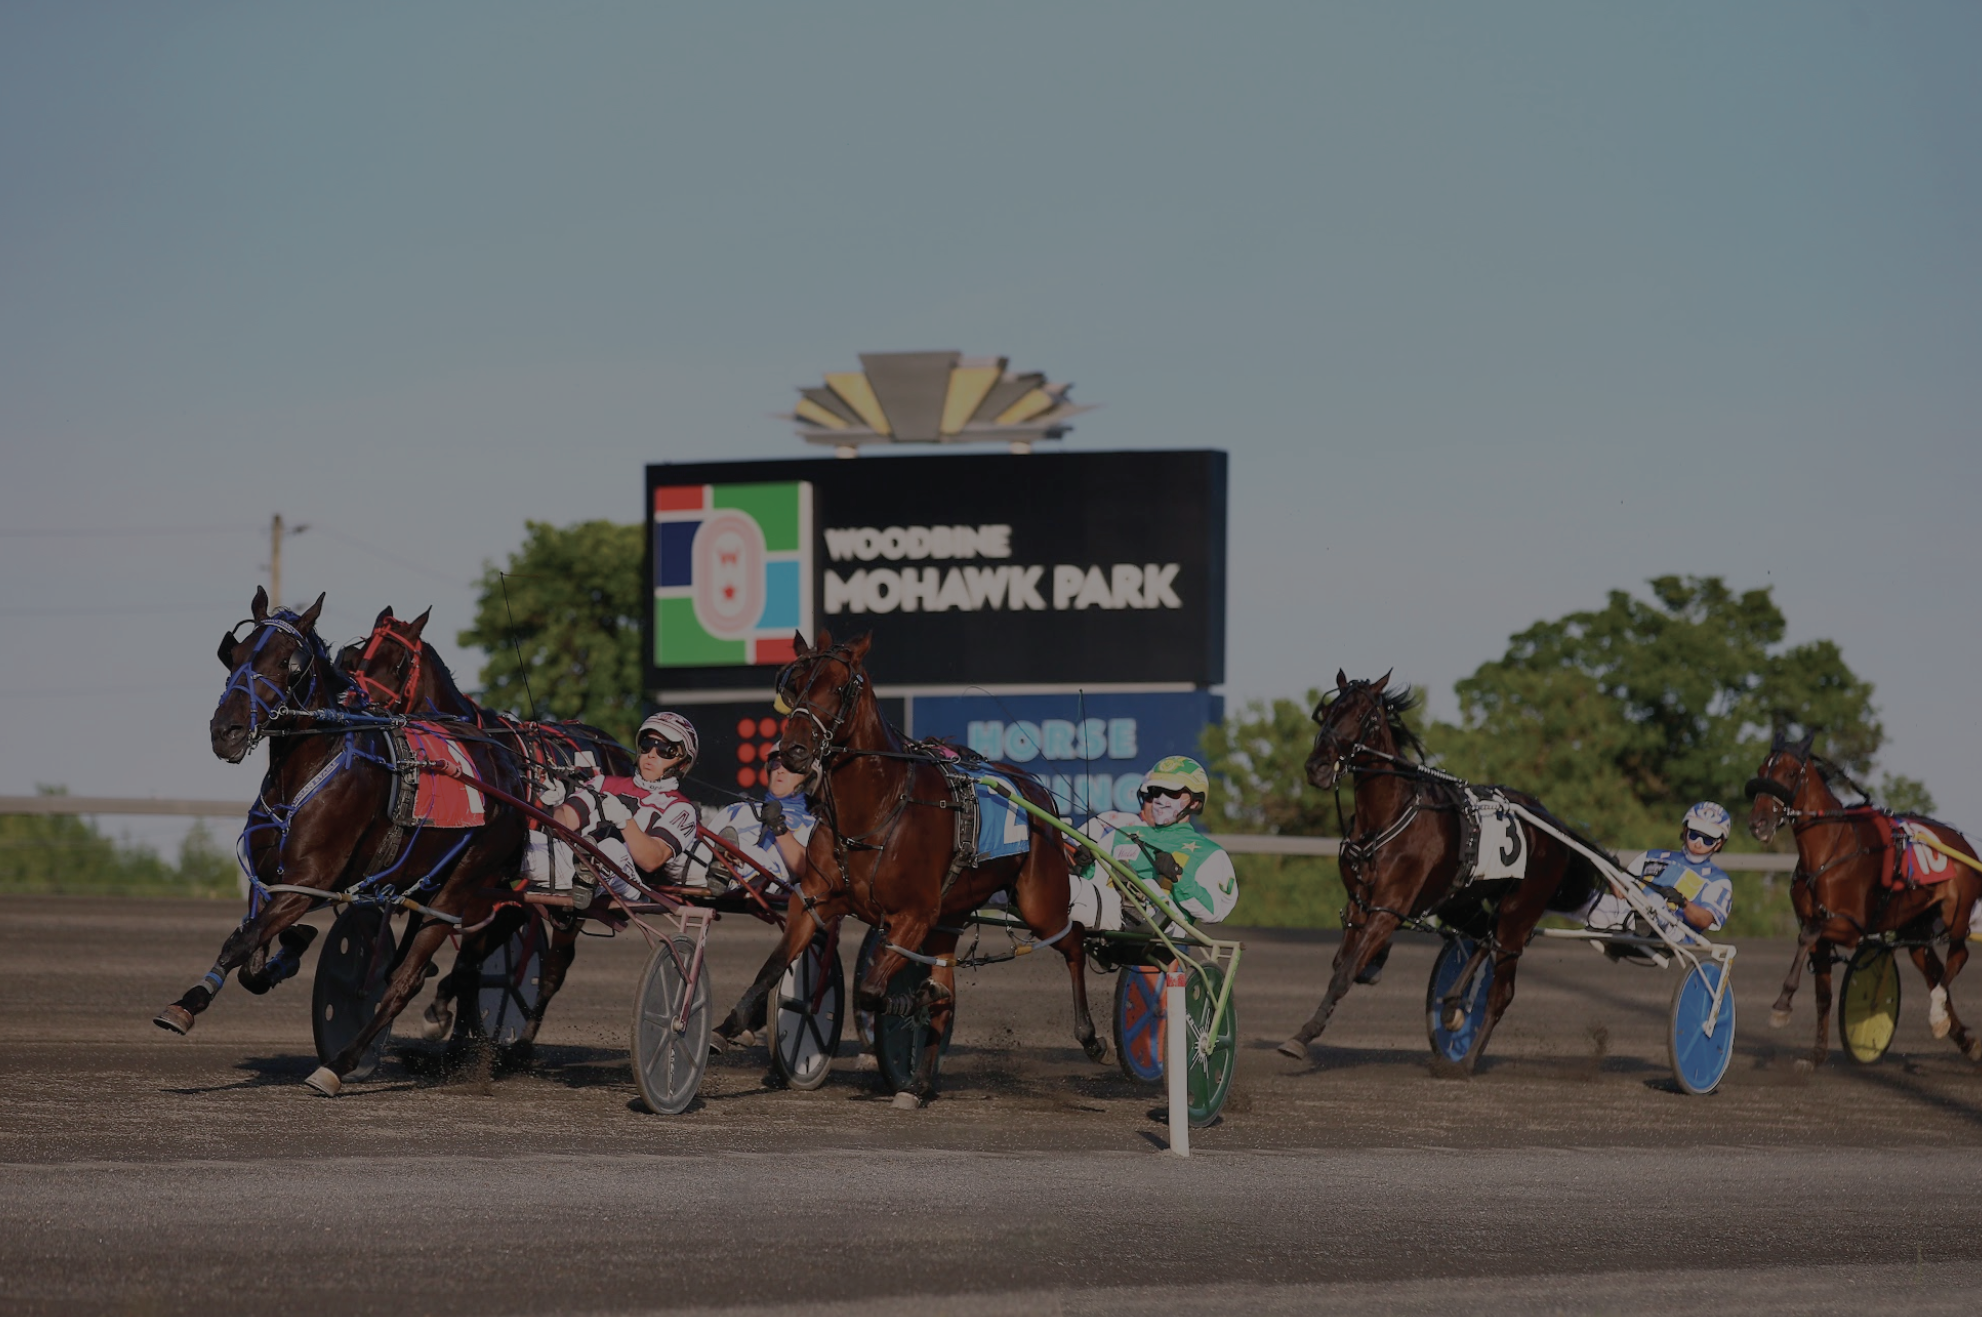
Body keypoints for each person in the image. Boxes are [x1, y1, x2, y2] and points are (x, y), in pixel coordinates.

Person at [529, 712, 702, 903]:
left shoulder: (681, 808)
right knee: (527, 839)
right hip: (576, 862)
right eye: (647, 745)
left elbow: (652, 860)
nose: (651, 754)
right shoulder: (603, 783)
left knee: (611, 847)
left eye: (665, 749)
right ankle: (585, 872)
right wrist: (551, 803)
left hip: (631, 883)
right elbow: (564, 823)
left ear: (683, 763)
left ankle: (590, 872)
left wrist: (624, 820)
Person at [1068, 755, 1237, 932]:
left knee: (1148, 886)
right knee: (1067, 886)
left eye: (1171, 793)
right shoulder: (1121, 835)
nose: (1161, 799)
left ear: (1195, 802)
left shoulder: (1209, 852)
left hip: (1165, 929)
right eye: (1156, 791)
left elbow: (1214, 913)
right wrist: (1086, 866)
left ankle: (1138, 904)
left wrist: (1178, 876)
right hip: (1111, 915)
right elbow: (1094, 885)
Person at [1582, 801, 1735, 947]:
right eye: (1694, 835)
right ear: (1685, 831)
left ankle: (1644, 924)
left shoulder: (1718, 880)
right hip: (1628, 915)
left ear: (1719, 843)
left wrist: (1683, 903)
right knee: (1585, 895)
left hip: (1675, 931)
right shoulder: (1651, 856)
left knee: (1655, 900)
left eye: (1708, 840)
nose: (1699, 843)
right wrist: (1611, 872)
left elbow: (1705, 919)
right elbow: (1621, 895)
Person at [703, 748, 816, 889]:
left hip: (764, 886)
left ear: (808, 778)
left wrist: (778, 827)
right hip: (704, 872)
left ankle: (727, 862)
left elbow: (809, 871)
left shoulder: (812, 824)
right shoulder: (737, 809)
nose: (780, 770)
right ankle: (723, 862)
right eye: (776, 764)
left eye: (790, 767)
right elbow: (704, 845)